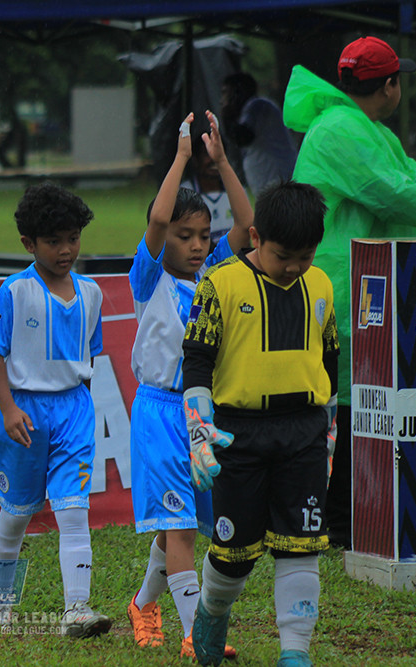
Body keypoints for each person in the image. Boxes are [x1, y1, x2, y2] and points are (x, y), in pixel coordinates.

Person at [283, 36, 416, 548]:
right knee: (340, 405)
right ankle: (330, 520)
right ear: (390, 85)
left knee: (356, 404)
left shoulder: (357, 125)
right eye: (401, 79)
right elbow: (391, 192)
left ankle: (344, 519)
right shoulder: (342, 129)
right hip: (337, 281)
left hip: (354, 278)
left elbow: (402, 182)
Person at [182, 181, 338, 667]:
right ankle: (211, 612)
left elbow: (329, 364)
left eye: (305, 256)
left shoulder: (323, 286)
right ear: (254, 236)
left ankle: (295, 653)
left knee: (301, 546)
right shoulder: (219, 283)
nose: (293, 267)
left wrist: (326, 432)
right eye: (282, 255)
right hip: (238, 435)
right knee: (234, 554)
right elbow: (196, 364)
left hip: (303, 434)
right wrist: (199, 432)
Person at [126, 111, 251, 658]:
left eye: (203, 235)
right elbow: (156, 219)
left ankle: (142, 603)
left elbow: (247, 227)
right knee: (178, 527)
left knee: (178, 526)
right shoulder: (147, 278)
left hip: (201, 414)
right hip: (158, 412)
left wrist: (221, 162)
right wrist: (181, 157)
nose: (198, 245)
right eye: (185, 236)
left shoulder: (215, 276)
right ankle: (194, 633)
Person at [0, 183, 111, 639]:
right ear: (29, 244)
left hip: (73, 411)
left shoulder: (91, 293)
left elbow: (89, 357)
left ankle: (77, 609)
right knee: (15, 513)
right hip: (24, 413)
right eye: (54, 241)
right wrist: (8, 409)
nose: (66, 249)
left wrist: (82, 402)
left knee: (74, 508)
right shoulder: (15, 292)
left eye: (72, 238)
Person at [221, 72, 297, 197]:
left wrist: (226, 116)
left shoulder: (257, 106)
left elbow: (243, 137)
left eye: (225, 93)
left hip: (277, 181)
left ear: (237, 93)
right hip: (273, 183)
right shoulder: (256, 107)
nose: (221, 100)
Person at [180, 115, 241, 245]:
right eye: (206, 154)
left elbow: (246, 228)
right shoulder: (183, 193)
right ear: (195, 160)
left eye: (216, 153)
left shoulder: (236, 192)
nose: (212, 159)